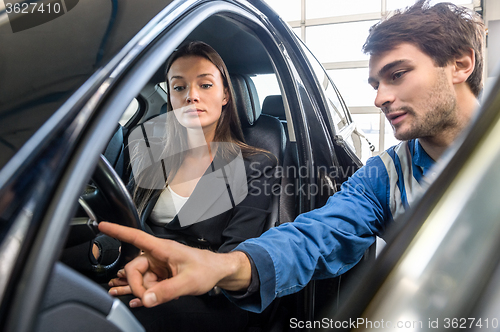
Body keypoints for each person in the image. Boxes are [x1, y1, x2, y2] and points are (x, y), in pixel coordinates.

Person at [100, 0, 485, 315]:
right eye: (375, 83)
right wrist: (228, 266)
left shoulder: (253, 163)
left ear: (460, 64)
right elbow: (314, 236)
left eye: (397, 74)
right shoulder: (383, 176)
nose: (379, 98)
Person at [97, 41, 277, 331]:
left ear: (226, 95)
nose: (191, 96)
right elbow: (128, 220)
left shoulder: (256, 164)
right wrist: (100, 250)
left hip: (210, 291)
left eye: (205, 85)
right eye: (179, 87)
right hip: (138, 267)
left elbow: (235, 256)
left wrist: (158, 268)